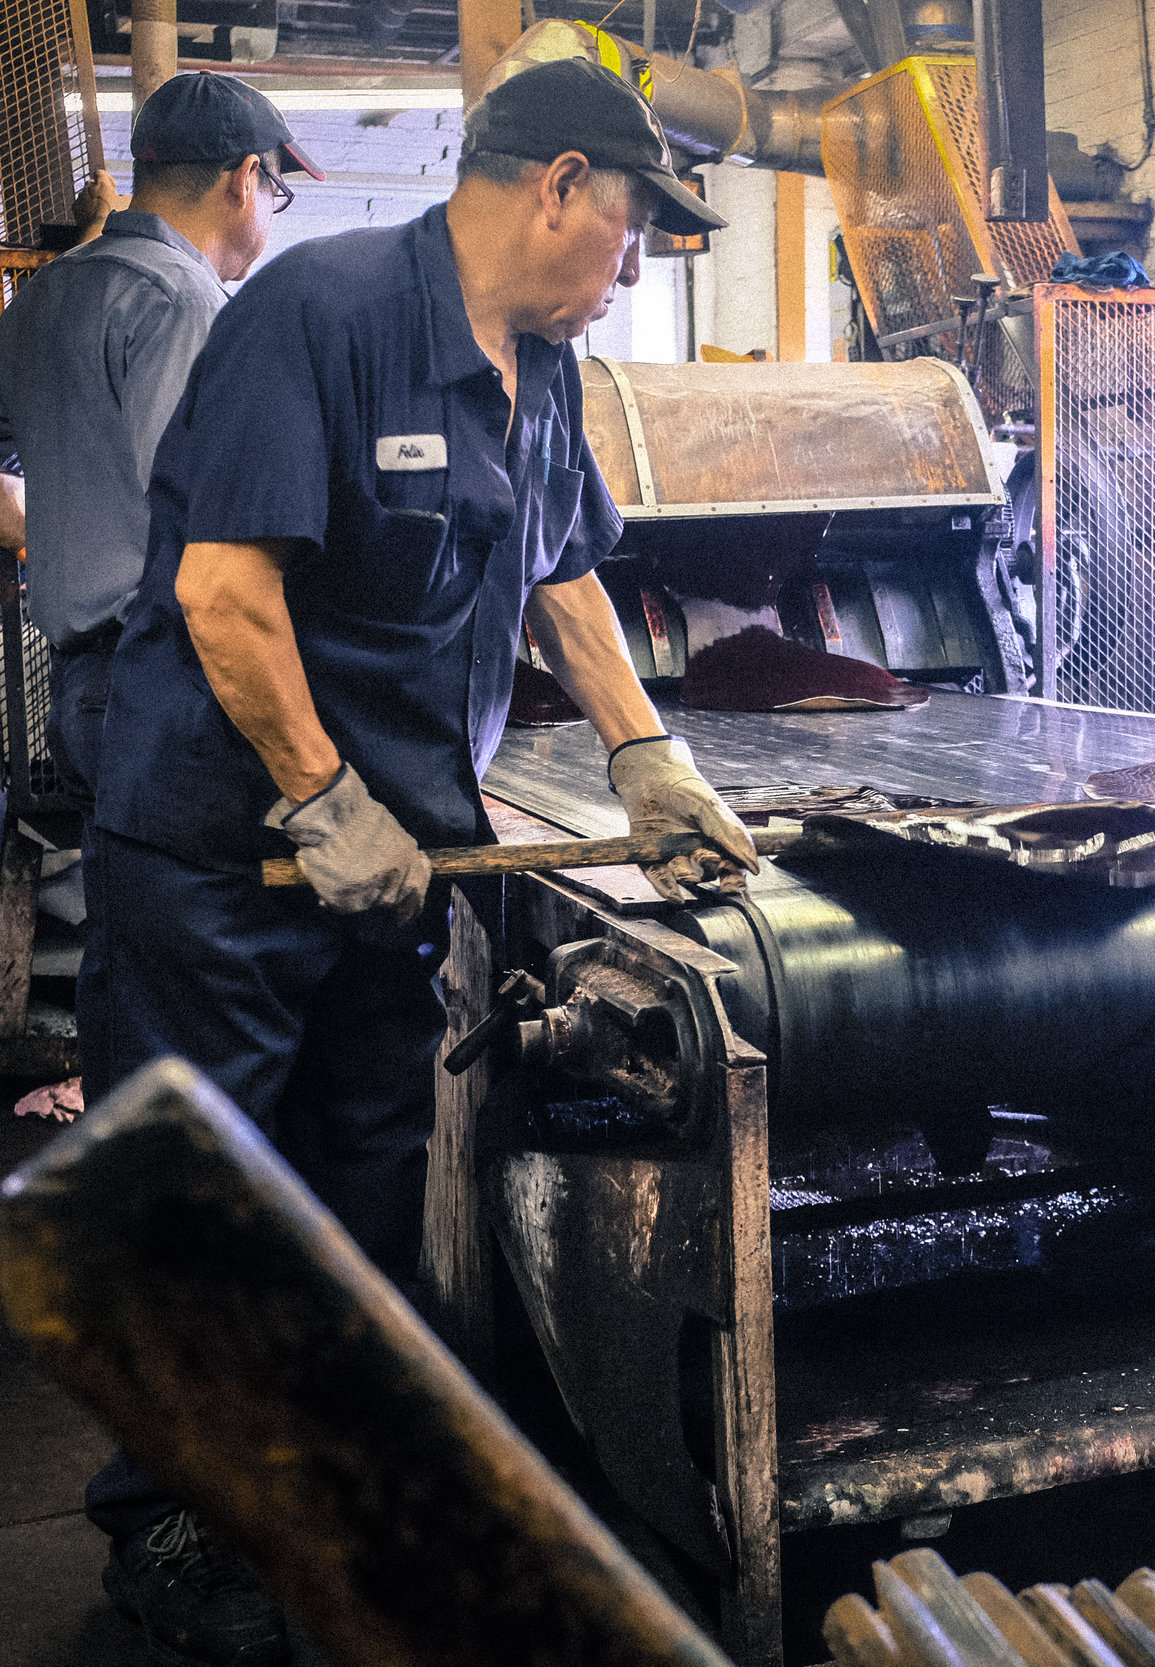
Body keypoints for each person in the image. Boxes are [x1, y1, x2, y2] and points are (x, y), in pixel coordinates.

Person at [79, 57, 754, 1667]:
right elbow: (225, 593)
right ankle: (169, 1528)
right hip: (225, 861)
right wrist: (320, 799)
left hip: (399, 869)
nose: (638, 266)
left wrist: (643, 752)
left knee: (369, 1187)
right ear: (560, 184)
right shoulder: (322, 312)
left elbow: (565, 580)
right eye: (637, 230)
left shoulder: (541, 372)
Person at [0, 71, 319, 807]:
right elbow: (209, 524)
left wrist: (59, 541)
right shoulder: (188, 303)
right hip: (174, 691)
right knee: (210, 916)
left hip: (84, 695)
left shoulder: (52, 291)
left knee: (127, 914)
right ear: (244, 180)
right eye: (277, 192)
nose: (271, 212)